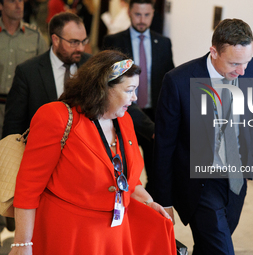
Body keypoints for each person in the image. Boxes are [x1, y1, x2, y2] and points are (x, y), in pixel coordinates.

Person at [9, 50, 176, 255]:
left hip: (113, 233)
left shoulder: (124, 120)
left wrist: (149, 202)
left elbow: (128, 180)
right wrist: (22, 243)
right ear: (104, 88)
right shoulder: (57, 116)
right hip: (67, 233)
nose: (134, 98)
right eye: (129, 90)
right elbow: (29, 186)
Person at [153, 18, 253, 255]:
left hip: (236, 179)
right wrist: (163, 199)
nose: (242, 71)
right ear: (213, 51)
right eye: (235, 63)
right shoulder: (178, 81)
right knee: (222, 250)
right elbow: (164, 145)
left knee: (209, 246)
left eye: (246, 61)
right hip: (200, 182)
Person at [102, 0, 174, 196]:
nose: (142, 20)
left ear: (153, 15)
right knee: (125, 169)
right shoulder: (113, 41)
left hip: (154, 114)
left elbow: (169, 79)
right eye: (137, 14)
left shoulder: (164, 43)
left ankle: (148, 209)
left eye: (147, 15)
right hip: (124, 112)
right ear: (129, 13)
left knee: (157, 170)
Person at [2, 12, 91, 137]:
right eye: (74, 42)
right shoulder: (28, 72)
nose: (81, 48)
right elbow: (13, 125)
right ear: (55, 40)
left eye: (84, 41)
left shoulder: (92, 66)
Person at [0, 0, 47, 233]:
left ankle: (10, 218)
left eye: (21, 0)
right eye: (12, 0)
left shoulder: (35, 36)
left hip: (18, 109)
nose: (19, 5)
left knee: (12, 161)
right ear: (1, 5)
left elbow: (43, 70)